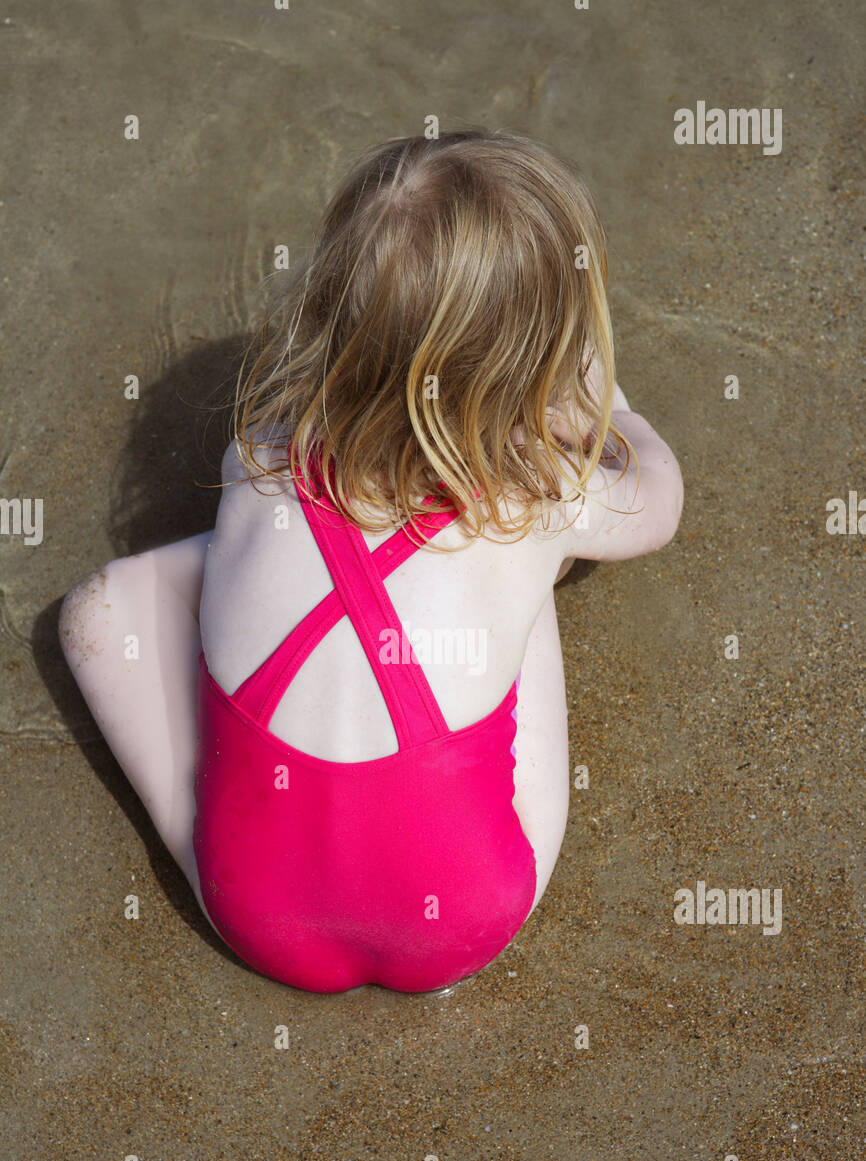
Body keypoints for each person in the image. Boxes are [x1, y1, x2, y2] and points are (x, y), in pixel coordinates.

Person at [59, 129, 683, 992]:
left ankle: (200, 825)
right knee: (527, 579)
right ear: (539, 355)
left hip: (254, 916)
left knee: (97, 608)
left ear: (330, 305)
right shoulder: (535, 504)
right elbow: (659, 500)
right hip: (464, 922)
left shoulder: (263, 458)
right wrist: (609, 405)